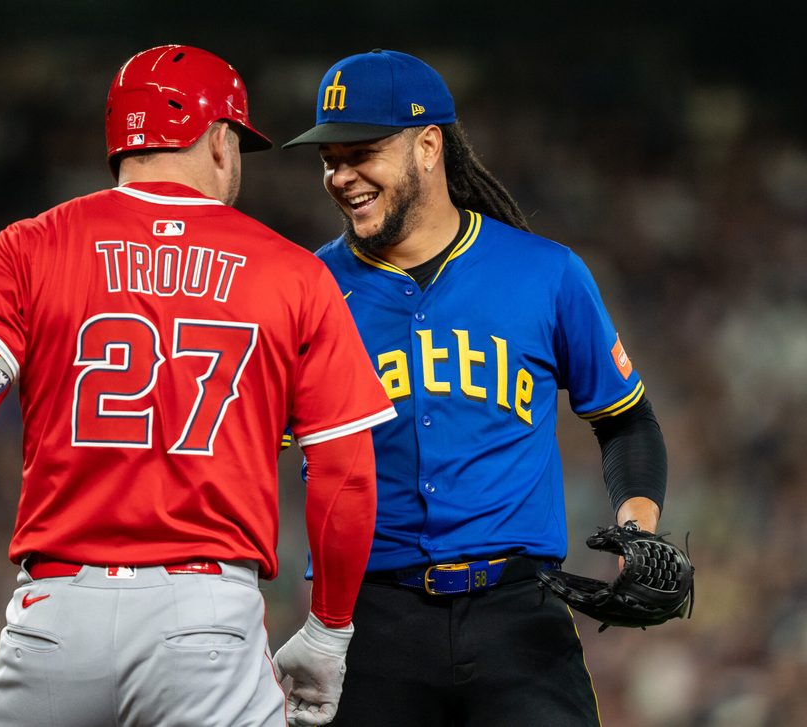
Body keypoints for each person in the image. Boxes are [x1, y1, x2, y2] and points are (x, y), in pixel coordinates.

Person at [0, 45, 396, 727]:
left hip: (54, 618)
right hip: (206, 620)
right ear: (219, 140)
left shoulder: (30, 245)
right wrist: (330, 631)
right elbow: (347, 474)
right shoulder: (295, 273)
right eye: (238, 142)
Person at [283, 49, 669, 726]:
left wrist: (640, 532)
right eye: (329, 159)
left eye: (361, 152)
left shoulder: (544, 273)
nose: (341, 176)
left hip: (519, 619)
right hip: (369, 618)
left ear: (428, 144)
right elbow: (243, 444)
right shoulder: (306, 290)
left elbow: (625, 420)